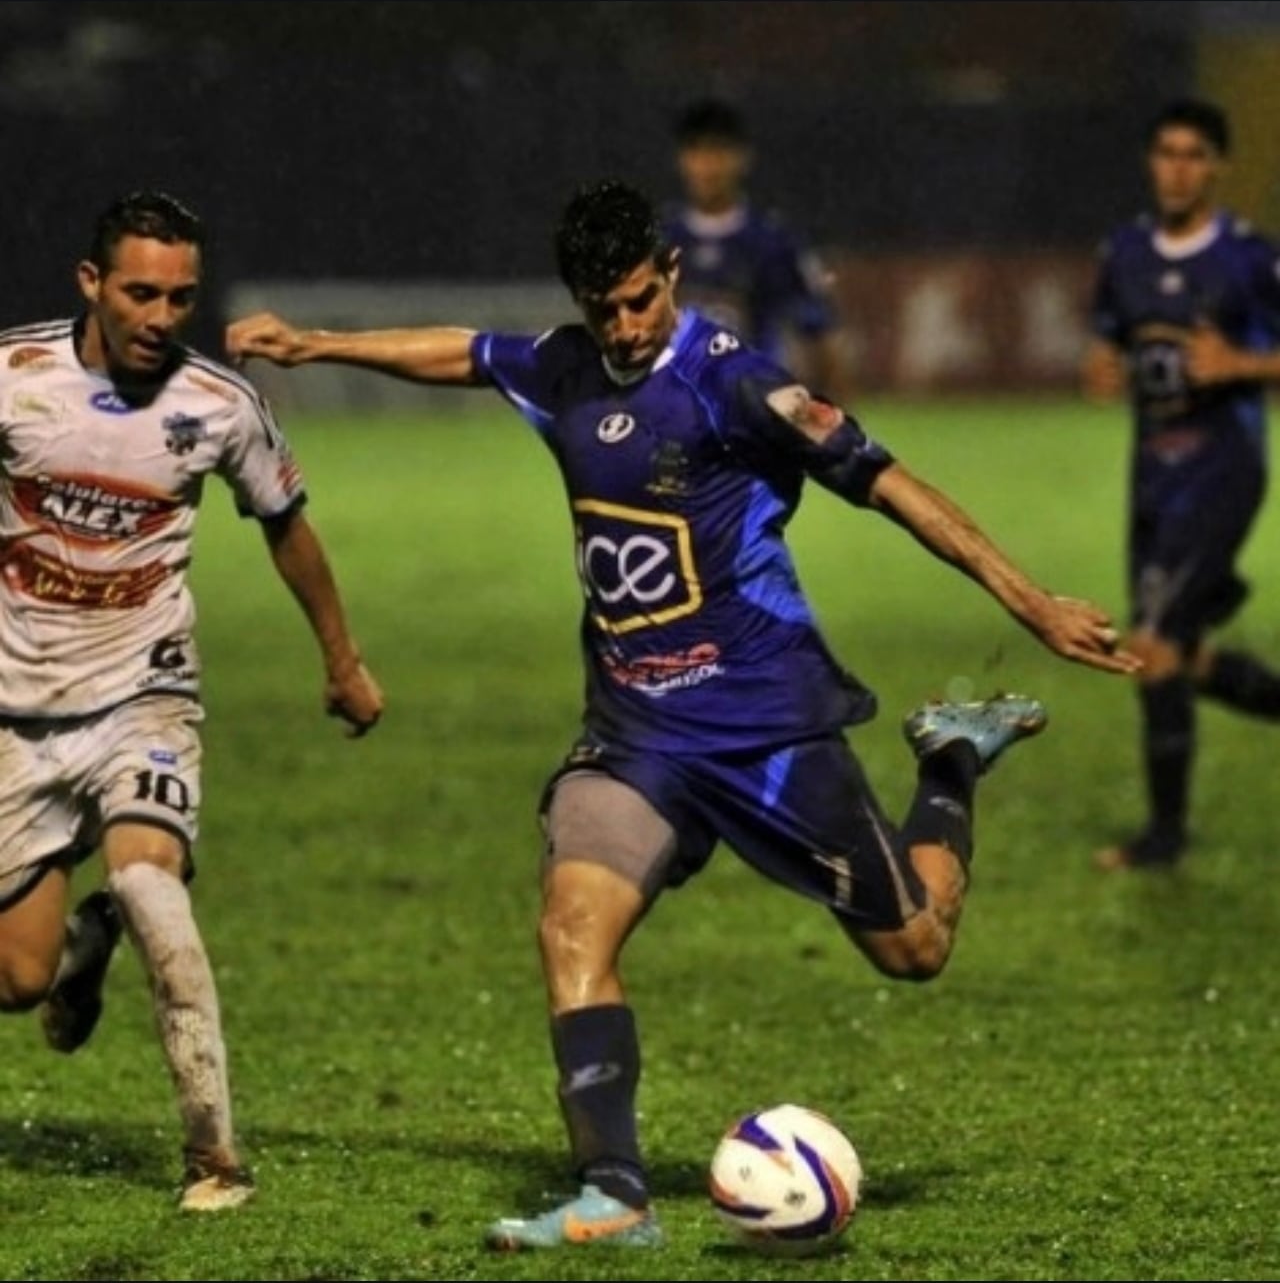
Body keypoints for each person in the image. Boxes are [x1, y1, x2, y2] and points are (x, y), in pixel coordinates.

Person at [226, 178, 1137, 1250]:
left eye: (634, 300)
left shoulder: (736, 385)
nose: (620, 326)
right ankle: (613, 1191)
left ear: (666, 274)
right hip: (634, 738)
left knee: (916, 947)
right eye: (599, 307)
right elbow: (464, 351)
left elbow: (891, 484)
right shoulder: (564, 367)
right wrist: (311, 343)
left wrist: (1028, 601)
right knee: (571, 923)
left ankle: (947, 767)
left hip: (764, 728)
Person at [0, 189, 385, 1212]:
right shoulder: (13, 377)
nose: (163, 316)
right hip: (16, 712)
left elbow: (287, 525)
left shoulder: (217, 405)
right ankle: (81, 947)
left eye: (181, 296)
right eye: (140, 292)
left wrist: (341, 661)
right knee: (18, 979)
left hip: (145, 692)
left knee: (152, 885)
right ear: (91, 283)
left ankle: (216, 1158)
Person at [1081, 96, 1280, 872]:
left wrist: (1244, 365)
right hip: (1152, 475)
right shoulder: (1125, 251)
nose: (1177, 168)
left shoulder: (1247, 257)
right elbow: (1107, 340)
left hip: (1224, 468)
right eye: (1166, 152)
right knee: (1178, 658)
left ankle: (1164, 838)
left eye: (1194, 154)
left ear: (1219, 166)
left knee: (1154, 649)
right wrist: (1100, 364)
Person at [661, 96, 855, 404]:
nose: (708, 165)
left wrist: (834, 422)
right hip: (675, 409)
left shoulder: (773, 242)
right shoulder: (659, 239)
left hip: (752, 410)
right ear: (682, 159)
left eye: (719, 151)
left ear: (742, 158)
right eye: (698, 151)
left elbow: (820, 336)